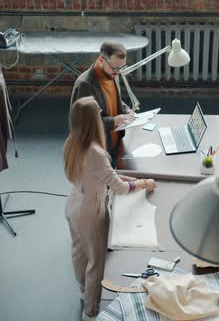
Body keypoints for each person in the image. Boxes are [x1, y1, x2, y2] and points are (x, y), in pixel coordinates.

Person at [63, 97, 156, 321]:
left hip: (74, 204)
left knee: (79, 251)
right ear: (93, 121)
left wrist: (132, 178)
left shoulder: (72, 142)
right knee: (97, 262)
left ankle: (84, 292)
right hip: (91, 212)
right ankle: (91, 311)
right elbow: (121, 188)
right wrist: (143, 183)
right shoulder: (95, 152)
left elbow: (107, 176)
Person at [70, 41, 135, 164]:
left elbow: (114, 99)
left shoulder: (112, 75)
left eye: (122, 67)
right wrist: (114, 121)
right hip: (97, 150)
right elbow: (83, 123)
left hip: (114, 143)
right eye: (115, 68)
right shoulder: (85, 84)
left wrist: (126, 109)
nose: (118, 72)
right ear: (101, 60)